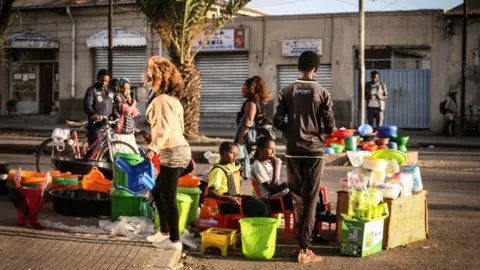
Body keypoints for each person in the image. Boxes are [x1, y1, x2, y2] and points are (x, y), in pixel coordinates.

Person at [273, 50, 336, 264]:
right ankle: (305, 249)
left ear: (298, 67)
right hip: (315, 153)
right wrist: (319, 137)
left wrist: (291, 131)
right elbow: (330, 127)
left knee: (297, 199)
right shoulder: (322, 92)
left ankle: (301, 247)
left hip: (293, 151)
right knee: (311, 199)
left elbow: (277, 120)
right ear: (316, 69)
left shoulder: (288, 91)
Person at [143, 56, 192, 251]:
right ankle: (164, 232)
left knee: (168, 196)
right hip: (176, 148)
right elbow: (176, 127)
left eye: (151, 73)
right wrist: (154, 141)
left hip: (172, 151)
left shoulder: (162, 99)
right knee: (157, 190)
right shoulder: (173, 99)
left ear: (160, 77)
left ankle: (175, 240)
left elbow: (163, 128)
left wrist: (153, 148)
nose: (147, 76)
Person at [251, 137, 336, 245]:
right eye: (270, 149)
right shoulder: (257, 166)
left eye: (275, 149)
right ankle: (323, 218)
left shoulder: (267, 163)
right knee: (305, 199)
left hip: (281, 195)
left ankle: (316, 228)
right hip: (272, 201)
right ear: (260, 149)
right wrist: (280, 172)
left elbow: (275, 185)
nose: (274, 152)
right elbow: (271, 190)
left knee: (313, 191)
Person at [208, 142, 270, 218]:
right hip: (227, 204)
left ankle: (266, 225)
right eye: (232, 153)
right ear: (223, 153)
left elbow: (238, 165)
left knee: (265, 201)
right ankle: (258, 227)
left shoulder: (228, 167)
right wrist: (229, 198)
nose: (235, 156)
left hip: (235, 199)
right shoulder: (217, 170)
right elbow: (211, 193)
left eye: (236, 154)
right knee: (260, 206)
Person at [234, 76, 273, 179]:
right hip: (259, 137)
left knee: (242, 159)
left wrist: (240, 139)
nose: (242, 88)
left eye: (245, 86)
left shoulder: (251, 101)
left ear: (252, 88)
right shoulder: (261, 101)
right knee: (258, 162)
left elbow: (249, 121)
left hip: (250, 138)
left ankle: (240, 182)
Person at [83, 69, 114, 157]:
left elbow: (114, 106)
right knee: (95, 153)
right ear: (97, 78)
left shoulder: (110, 91)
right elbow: (87, 105)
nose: (104, 83)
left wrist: (115, 115)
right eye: (102, 80)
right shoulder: (92, 90)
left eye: (106, 81)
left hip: (108, 126)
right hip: (96, 126)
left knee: (109, 152)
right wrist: (92, 114)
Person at [112, 77, 139, 153]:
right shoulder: (118, 97)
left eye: (127, 88)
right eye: (123, 88)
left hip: (129, 131)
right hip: (121, 131)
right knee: (120, 153)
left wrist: (130, 102)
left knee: (130, 152)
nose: (125, 90)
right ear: (120, 88)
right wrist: (133, 104)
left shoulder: (127, 98)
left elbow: (135, 113)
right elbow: (127, 110)